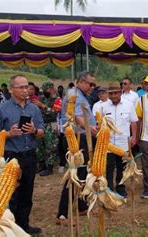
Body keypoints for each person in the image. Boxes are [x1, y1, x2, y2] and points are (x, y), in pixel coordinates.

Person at [0, 75, 44, 234]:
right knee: (11, 194)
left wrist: (34, 130)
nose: (25, 90)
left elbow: (42, 132)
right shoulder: (1, 108)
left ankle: (24, 225)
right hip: (11, 155)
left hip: (29, 155)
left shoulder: (34, 109)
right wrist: (8, 133)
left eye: (26, 86)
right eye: (21, 87)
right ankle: (10, 227)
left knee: (27, 192)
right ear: (12, 89)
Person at [57, 72, 97, 220]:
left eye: (94, 85)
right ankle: (62, 213)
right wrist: (91, 129)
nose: (92, 87)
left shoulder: (80, 94)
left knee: (83, 173)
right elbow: (78, 117)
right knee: (74, 174)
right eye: (90, 84)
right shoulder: (74, 95)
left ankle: (81, 205)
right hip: (76, 138)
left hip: (81, 136)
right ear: (80, 81)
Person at [99, 82, 138, 197]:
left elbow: (134, 122)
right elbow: (100, 124)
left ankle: (120, 187)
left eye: (116, 93)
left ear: (120, 93)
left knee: (122, 167)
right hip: (109, 143)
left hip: (123, 143)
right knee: (109, 167)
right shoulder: (104, 107)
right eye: (111, 94)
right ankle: (110, 188)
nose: (114, 96)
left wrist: (134, 137)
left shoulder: (128, 105)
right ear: (108, 94)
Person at [36, 82, 60, 176]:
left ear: (51, 89)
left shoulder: (57, 100)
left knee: (51, 146)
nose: (44, 92)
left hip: (51, 124)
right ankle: (42, 165)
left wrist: (43, 106)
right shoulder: (41, 99)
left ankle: (49, 168)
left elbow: (54, 113)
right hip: (41, 124)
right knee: (39, 146)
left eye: (46, 90)